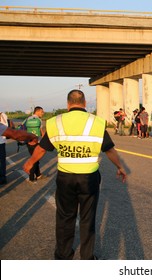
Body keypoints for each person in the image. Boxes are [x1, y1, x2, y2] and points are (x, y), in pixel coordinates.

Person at [23, 89, 126, 260]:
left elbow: (41, 148)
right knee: (88, 218)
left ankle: (63, 255)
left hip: (65, 178)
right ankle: (87, 257)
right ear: (85, 104)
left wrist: (31, 162)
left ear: (68, 104)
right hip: (89, 178)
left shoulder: (56, 122)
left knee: (65, 217)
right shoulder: (97, 122)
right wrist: (120, 167)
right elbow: (109, 150)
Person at [24, 106, 45, 183]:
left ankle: (38, 175)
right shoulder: (39, 120)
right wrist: (45, 140)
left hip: (29, 142)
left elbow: (24, 129)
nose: (43, 113)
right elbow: (41, 131)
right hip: (37, 142)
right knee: (35, 159)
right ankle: (31, 177)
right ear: (38, 111)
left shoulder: (28, 119)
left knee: (34, 158)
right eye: (42, 112)